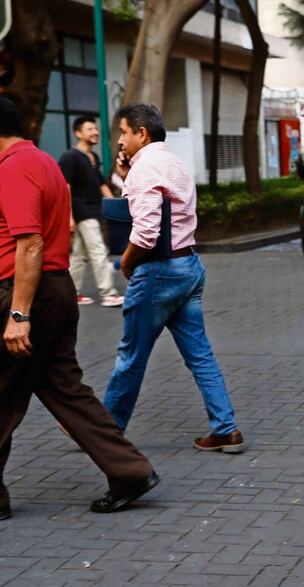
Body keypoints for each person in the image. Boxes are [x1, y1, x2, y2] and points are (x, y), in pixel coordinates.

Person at [0, 95, 159, 518]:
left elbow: (30, 243)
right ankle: (130, 471)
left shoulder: (14, 168)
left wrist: (18, 315)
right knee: (66, 392)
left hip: (26, 293)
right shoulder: (42, 161)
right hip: (56, 290)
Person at [102, 103, 244, 454]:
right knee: (200, 355)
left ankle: (103, 431)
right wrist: (125, 172)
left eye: (123, 132)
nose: (121, 139)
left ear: (141, 133)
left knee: (130, 356)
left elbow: (147, 231)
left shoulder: (145, 169)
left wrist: (125, 263)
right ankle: (226, 429)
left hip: (158, 272)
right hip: (188, 267)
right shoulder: (173, 163)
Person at [59, 116, 124, 308]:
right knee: (98, 250)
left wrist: (117, 207)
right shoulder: (70, 157)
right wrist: (68, 216)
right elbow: (66, 188)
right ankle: (108, 293)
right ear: (78, 133)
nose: (95, 132)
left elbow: (101, 185)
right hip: (82, 211)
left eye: (95, 129)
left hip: (92, 211)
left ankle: (72, 294)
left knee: (78, 256)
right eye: (90, 129)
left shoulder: (93, 158)